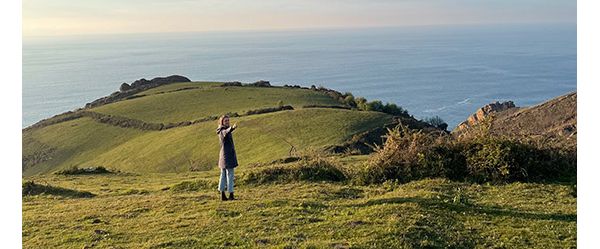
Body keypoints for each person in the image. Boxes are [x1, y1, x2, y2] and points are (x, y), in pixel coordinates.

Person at [216, 115, 238, 201]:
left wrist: (230, 129)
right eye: (225, 121)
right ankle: (231, 195)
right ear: (222, 122)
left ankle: (223, 195)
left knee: (223, 175)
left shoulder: (221, 130)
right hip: (227, 157)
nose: (227, 122)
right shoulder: (222, 131)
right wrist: (232, 128)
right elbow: (226, 132)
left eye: (228, 121)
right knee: (230, 175)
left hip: (224, 157)